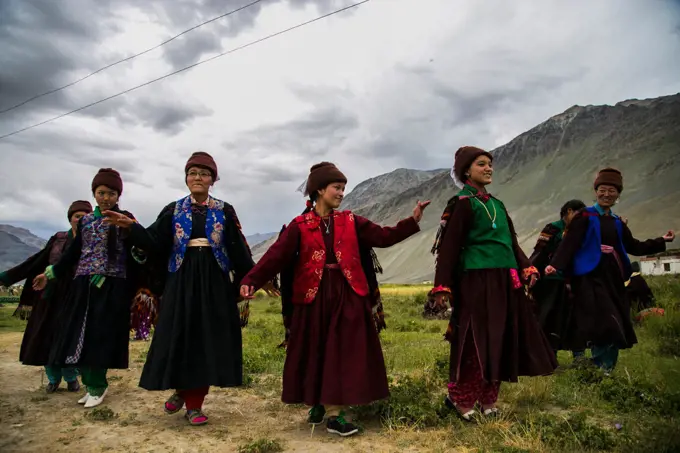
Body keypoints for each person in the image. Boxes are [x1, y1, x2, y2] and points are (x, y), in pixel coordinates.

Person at [239, 162, 429, 437]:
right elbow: (275, 257)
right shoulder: (299, 226)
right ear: (319, 190)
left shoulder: (352, 221)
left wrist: (412, 221)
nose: (341, 193)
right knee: (317, 350)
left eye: (343, 188)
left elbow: (384, 236)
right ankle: (323, 404)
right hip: (313, 298)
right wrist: (250, 280)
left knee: (342, 352)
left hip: (347, 295)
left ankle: (333, 413)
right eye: (336, 188)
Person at [103, 152, 257, 426]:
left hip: (214, 281)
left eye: (204, 173)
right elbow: (153, 241)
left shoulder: (224, 210)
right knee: (179, 334)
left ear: (213, 179)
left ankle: (194, 404)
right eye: (193, 173)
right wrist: (132, 228)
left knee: (206, 339)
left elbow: (238, 248)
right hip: (181, 280)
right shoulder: (173, 210)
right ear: (186, 178)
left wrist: (251, 278)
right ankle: (181, 389)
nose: (198, 178)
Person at [431, 146, 557, 421]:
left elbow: (510, 242)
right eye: (481, 164)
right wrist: (442, 286)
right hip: (475, 280)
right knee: (474, 341)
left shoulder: (497, 205)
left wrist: (527, 267)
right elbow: (449, 248)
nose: (488, 168)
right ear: (466, 170)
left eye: (490, 164)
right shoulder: (462, 203)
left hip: (504, 280)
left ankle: (489, 400)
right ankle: (460, 400)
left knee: (500, 338)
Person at [546, 168, 674, 373]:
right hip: (590, 278)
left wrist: (662, 241)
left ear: (618, 194)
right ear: (596, 191)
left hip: (613, 278)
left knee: (616, 322)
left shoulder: (617, 222)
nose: (607, 194)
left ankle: (607, 370)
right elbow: (570, 243)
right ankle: (599, 366)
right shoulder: (585, 217)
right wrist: (556, 264)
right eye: (602, 190)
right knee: (603, 323)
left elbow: (634, 246)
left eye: (612, 191)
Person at [35, 168, 143, 408]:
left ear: (118, 195)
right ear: (94, 193)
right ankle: (89, 383)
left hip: (111, 287)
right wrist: (50, 273)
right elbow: (72, 254)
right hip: (83, 287)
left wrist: (130, 230)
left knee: (99, 337)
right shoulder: (85, 221)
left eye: (111, 193)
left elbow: (139, 248)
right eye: (101, 192)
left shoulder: (125, 217)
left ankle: (98, 385)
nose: (105, 198)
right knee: (78, 336)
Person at [0, 200, 93, 393]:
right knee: (46, 336)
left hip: (78, 297)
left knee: (70, 337)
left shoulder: (93, 242)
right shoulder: (58, 239)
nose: (81, 219)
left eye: (86, 216)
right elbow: (37, 261)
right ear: (70, 218)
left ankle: (71, 377)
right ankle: (53, 378)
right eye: (77, 216)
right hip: (51, 297)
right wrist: (6, 277)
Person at [529, 199, 587, 360]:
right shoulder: (552, 229)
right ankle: (549, 358)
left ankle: (579, 357)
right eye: (577, 214)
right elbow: (539, 253)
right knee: (550, 319)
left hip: (576, 281)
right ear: (568, 211)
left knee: (576, 319)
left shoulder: (581, 230)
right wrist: (531, 271)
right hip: (551, 283)